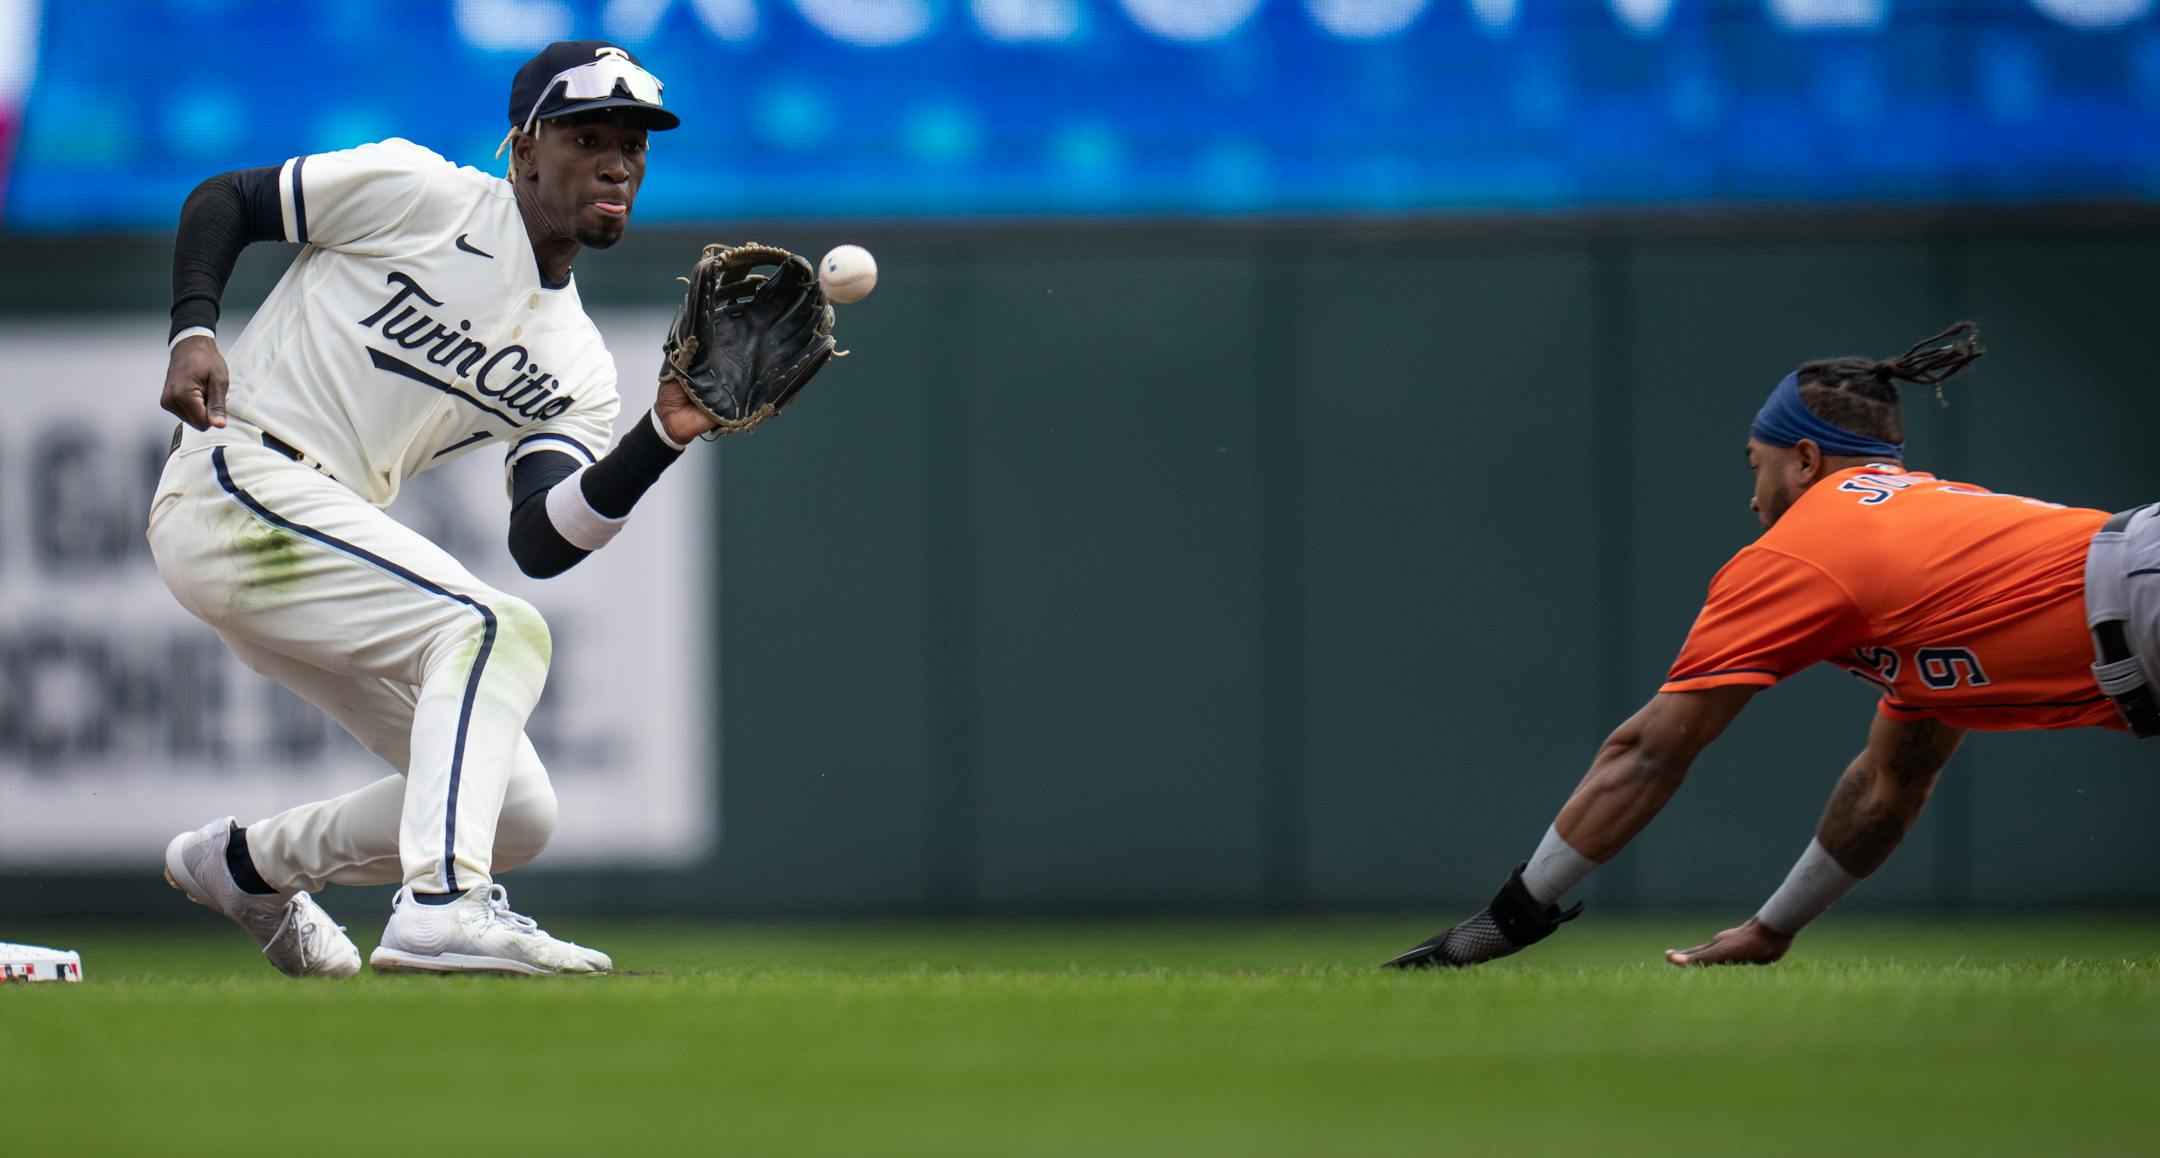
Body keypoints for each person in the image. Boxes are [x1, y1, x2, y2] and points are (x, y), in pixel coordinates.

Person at [151, 42, 731, 976]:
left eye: (633, 143)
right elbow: (228, 200)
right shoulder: (419, 192)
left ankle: (248, 866)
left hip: (313, 532)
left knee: (519, 810)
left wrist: (657, 441)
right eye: (588, 135)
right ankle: (441, 905)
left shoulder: (576, 364)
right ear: (525, 148)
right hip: (235, 479)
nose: (618, 160)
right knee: (497, 629)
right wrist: (193, 328)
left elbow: (541, 536)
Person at [1385, 322, 2157, 969]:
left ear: (1807, 459)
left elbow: (1648, 752)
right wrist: (1773, 927)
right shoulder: (1933, 540)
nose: (1753, 496)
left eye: (1757, 467)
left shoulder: (1807, 544)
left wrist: (1507, 920)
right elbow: (1892, 780)